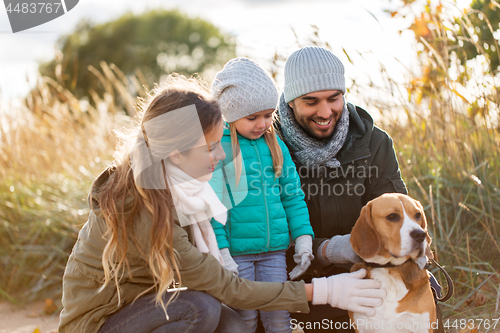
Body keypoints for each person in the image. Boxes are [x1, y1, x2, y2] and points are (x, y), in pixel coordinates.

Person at [57, 75, 386, 333]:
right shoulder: (143, 206)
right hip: (98, 324)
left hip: (142, 307)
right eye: (211, 148)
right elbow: (226, 286)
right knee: (201, 308)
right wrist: (326, 291)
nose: (220, 155)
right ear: (176, 153)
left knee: (228, 323)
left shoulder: (178, 187)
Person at [275, 46, 408, 332]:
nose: (325, 112)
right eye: (311, 102)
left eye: (334, 99)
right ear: (289, 102)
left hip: (367, 272)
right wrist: (328, 250)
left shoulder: (374, 143)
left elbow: (397, 218)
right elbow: (258, 237)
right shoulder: (266, 149)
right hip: (295, 282)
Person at [210, 57, 314, 333]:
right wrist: (221, 251)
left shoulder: (276, 145)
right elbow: (211, 207)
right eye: (252, 117)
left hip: (274, 253)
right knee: (243, 320)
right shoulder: (217, 150)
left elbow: (292, 196)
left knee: (279, 317)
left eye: (268, 115)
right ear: (230, 114)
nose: (262, 123)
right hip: (237, 255)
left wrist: (303, 238)